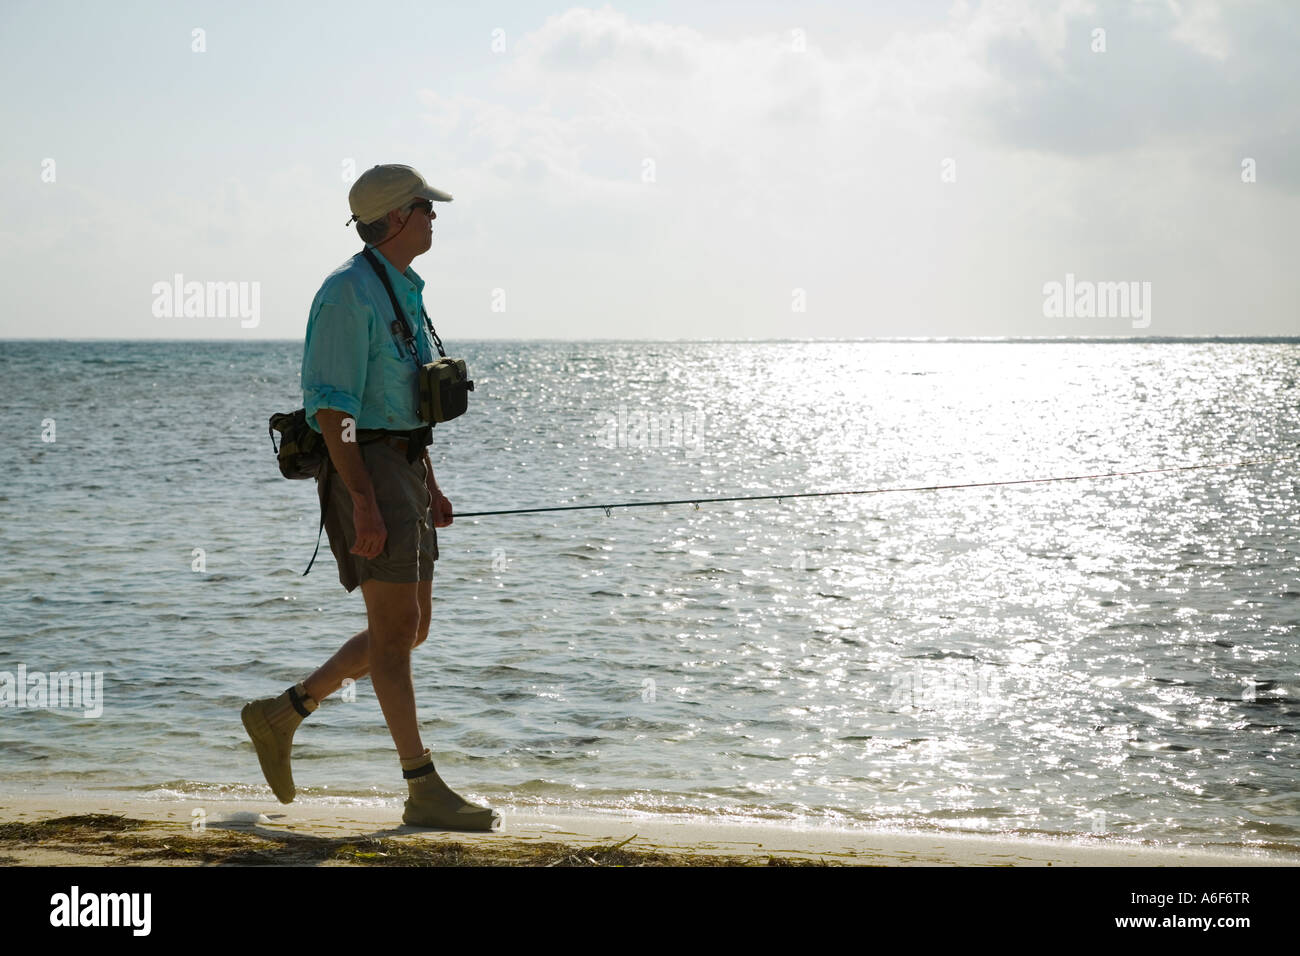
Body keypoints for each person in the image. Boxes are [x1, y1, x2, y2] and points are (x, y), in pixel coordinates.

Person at [240, 164, 500, 831]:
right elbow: (334, 411)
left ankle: (283, 712)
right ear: (395, 218)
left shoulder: (400, 289)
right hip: (368, 469)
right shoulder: (346, 294)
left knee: (411, 629)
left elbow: (405, 397)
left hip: (404, 466)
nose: (434, 217)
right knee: (392, 636)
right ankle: (422, 787)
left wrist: (431, 484)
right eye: (425, 207)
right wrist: (362, 500)